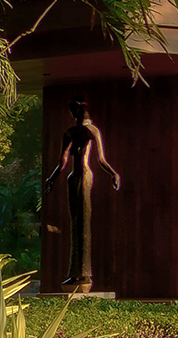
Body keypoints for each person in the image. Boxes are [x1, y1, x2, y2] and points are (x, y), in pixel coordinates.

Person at [50, 99, 123, 293]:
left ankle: (84, 273)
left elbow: (100, 160)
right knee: (76, 224)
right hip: (74, 179)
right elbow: (63, 162)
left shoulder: (91, 131)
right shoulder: (71, 133)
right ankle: (75, 273)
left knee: (84, 223)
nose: (80, 118)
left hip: (84, 176)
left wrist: (114, 174)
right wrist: (51, 178)